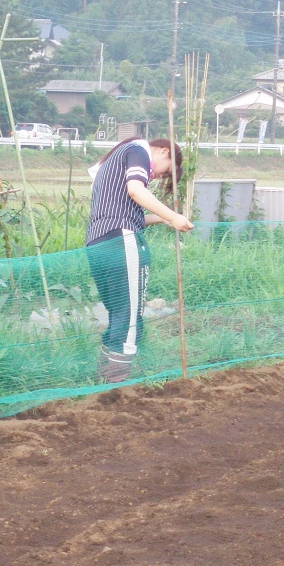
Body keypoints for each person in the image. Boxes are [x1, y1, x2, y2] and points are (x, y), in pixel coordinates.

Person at [85, 137, 194, 383]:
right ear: (164, 151)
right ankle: (117, 384)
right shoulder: (138, 150)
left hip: (97, 243)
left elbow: (125, 214)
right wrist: (173, 215)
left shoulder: (111, 163)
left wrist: (163, 219)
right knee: (130, 316)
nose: (155, 176)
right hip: (122, 244)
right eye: (163, 170)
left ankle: (103, 376)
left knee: (118, 313)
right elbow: (136, 190)